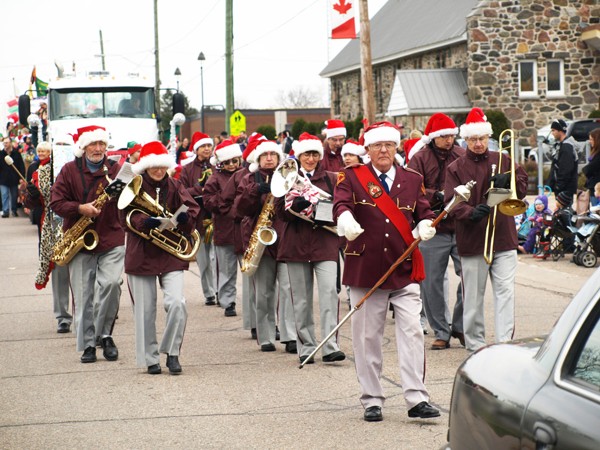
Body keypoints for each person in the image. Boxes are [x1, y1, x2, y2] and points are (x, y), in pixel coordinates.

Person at [333, 121, 440, 422]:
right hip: (367, 268)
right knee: (367, 337)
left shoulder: (411, 178)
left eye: (389, 145)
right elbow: (340, 203)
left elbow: (423, 210)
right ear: (367, 149)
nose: (383, 150)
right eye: (377, 145)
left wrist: (425, 224)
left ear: (397, 147)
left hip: (403, 266)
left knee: (412, 332)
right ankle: (372, 399)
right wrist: (344, 217)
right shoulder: (352, 177)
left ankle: (417, 398)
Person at [444, 107, 528, 353]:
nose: (478, 143)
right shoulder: (456, 167)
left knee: (505, 293)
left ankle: (504, 343)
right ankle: (476, 345)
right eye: (473, 139)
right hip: (473, 239)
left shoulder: (503, 159)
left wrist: (511, 182)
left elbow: (521, 189)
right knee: (473, 297)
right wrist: (470, 212)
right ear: (466, 140)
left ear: (488, 137)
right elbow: (451, 202)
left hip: (503, 236)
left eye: (481, 138)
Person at [120, 141, 199, 375]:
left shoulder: (175, 185)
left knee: (177, 303)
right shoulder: (133, 184)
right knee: (144, 311)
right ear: (145, 166)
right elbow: (123, 213)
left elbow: (191, 209)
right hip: (141, 254)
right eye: (153, 166)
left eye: (162, 166)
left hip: (170, 254)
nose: (158, 171)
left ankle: (172, 352)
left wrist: (184, 219)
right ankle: (150, 359)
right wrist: (141, 222)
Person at [50, 125, 124, 363]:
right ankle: (88, 344)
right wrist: (80, 208)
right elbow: (56, 202)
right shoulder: (69, 170)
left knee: (112, 285)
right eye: (94, 144)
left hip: (111, 236)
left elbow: (128, 197)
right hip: (80, 241)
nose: (99, 148)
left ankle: (105, 335)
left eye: (102, 144)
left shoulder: (114, 168)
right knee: (84, 296)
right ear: (83, 147)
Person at [275, 132, 345, 363]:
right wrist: (294, 206)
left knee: (329, 293)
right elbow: (278, 213)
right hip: (296, 244)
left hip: (325, 244)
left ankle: (329, 345)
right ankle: (306, 347)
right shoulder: (287, 177)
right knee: (302, 300)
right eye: (307, 154)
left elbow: (342, 206)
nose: (311, 159)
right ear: (299, 155)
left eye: (315, 154)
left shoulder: (331, 179)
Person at [407, 113, 465, 350]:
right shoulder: (419, 159)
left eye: (452, 135)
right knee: (431, 283)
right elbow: (411, 189)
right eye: (444, 136)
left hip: (462, 226)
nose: (449, 140)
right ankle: (441, 330)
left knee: (471, 277)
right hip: (432, 227)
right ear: (433, 137)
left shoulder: (462, 155)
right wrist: (435, 196)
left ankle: (460, 325)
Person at [233, 140, 284, 352]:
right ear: (258, 158)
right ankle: (265, 336)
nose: (270, 158)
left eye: (273, 154)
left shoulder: (287, 176)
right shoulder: (248, 179)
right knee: (263, 292)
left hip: (286, 238)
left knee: (288, 290)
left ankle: (289, 334)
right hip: (260, 237)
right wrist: (254, 190)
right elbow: (240, 209)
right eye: (265, 155)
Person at [23, 141, 72, 333]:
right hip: (52, 228)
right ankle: (63, 317)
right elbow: (32, 202)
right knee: (60, 272)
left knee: (83, 275)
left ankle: (88, 315)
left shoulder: (78, 171)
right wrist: (32, 195)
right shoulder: (41, 172)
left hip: (77, 225)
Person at [203, 139, 243, 315]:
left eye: (235, 161)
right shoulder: (214, 179)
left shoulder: (244, 175)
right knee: (226, 269)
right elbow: (208, 201)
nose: (232, 165)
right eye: (228, 162)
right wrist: (226, 202)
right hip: (224, 228)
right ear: (220, 163)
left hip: (243, 229)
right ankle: (228, 302)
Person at [179, 131, 218, 307]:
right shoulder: (187, 169)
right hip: (199, 219)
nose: (207, 149)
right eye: (203, 146)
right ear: (196, 149)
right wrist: (199, 189)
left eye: (209, 145)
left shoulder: (218, 166)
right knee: (203, 260)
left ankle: (219, 290)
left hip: (217, 218)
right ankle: (209, 293)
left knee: (217, 259)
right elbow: (183, 193)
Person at [547, 119, 578, 199]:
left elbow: (566, 169)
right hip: (562, 188)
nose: (552, 133)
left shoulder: (566, 146)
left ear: (560, 131)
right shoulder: (561, 145)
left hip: (565, 189)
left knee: (563, 211)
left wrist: (558, 186)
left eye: (553, 130)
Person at [0, 136, 26, 217]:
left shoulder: (16, 153)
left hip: (14, 178)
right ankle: (6, 211)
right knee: (4, 195)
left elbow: (21, 166)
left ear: (10, 143)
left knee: (14, 195)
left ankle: (14, 210)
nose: (5, 144)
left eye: (7, 143)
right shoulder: (1, 154)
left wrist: (21, 177)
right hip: (3, 179)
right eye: (4, 143)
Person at [582, 128, 600, 201]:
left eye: (592, 139)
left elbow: (591, 168)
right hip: (593, 186)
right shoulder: (595, 151)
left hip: (597, 187)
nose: (590, 142)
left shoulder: (598, 154)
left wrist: (585, 170)